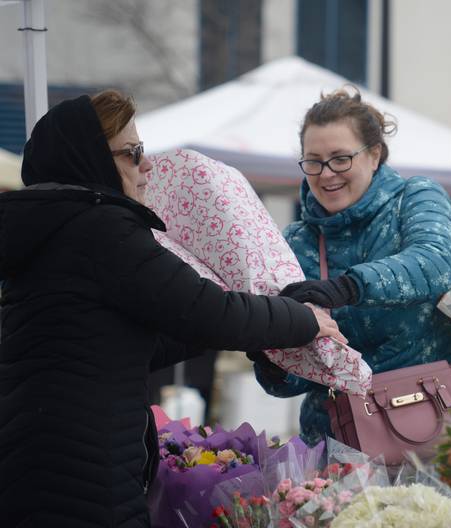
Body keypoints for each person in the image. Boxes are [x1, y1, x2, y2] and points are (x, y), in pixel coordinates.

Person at [0, 90, 345, 527]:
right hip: (80, 469)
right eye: (133, 153)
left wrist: (252, 329)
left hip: (41, 459)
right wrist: (301, 319)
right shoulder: (101, 228)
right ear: (90, 159)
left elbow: (136, 341)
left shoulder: (51, 229)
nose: (147, 166)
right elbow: (209, 310)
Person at [249, 87, 451, 445]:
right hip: (336, 442)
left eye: (340, 158)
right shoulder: (294, 241)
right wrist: (268, 348)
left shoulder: (415, 197)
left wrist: (348, 286)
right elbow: (295, 382)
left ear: (374, 154)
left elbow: (439, 260)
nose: (326, 173)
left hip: (433, 424)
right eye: (314, 161)